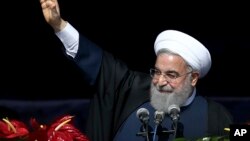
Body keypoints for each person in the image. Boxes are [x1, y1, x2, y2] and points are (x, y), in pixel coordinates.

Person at [39, 0, 233, 141]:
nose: (160, 81)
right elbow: (98, 62)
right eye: (157, 72)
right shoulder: (132, 89)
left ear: (193, 78)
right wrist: (59, 26)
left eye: (171, 74)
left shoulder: (215, 116)